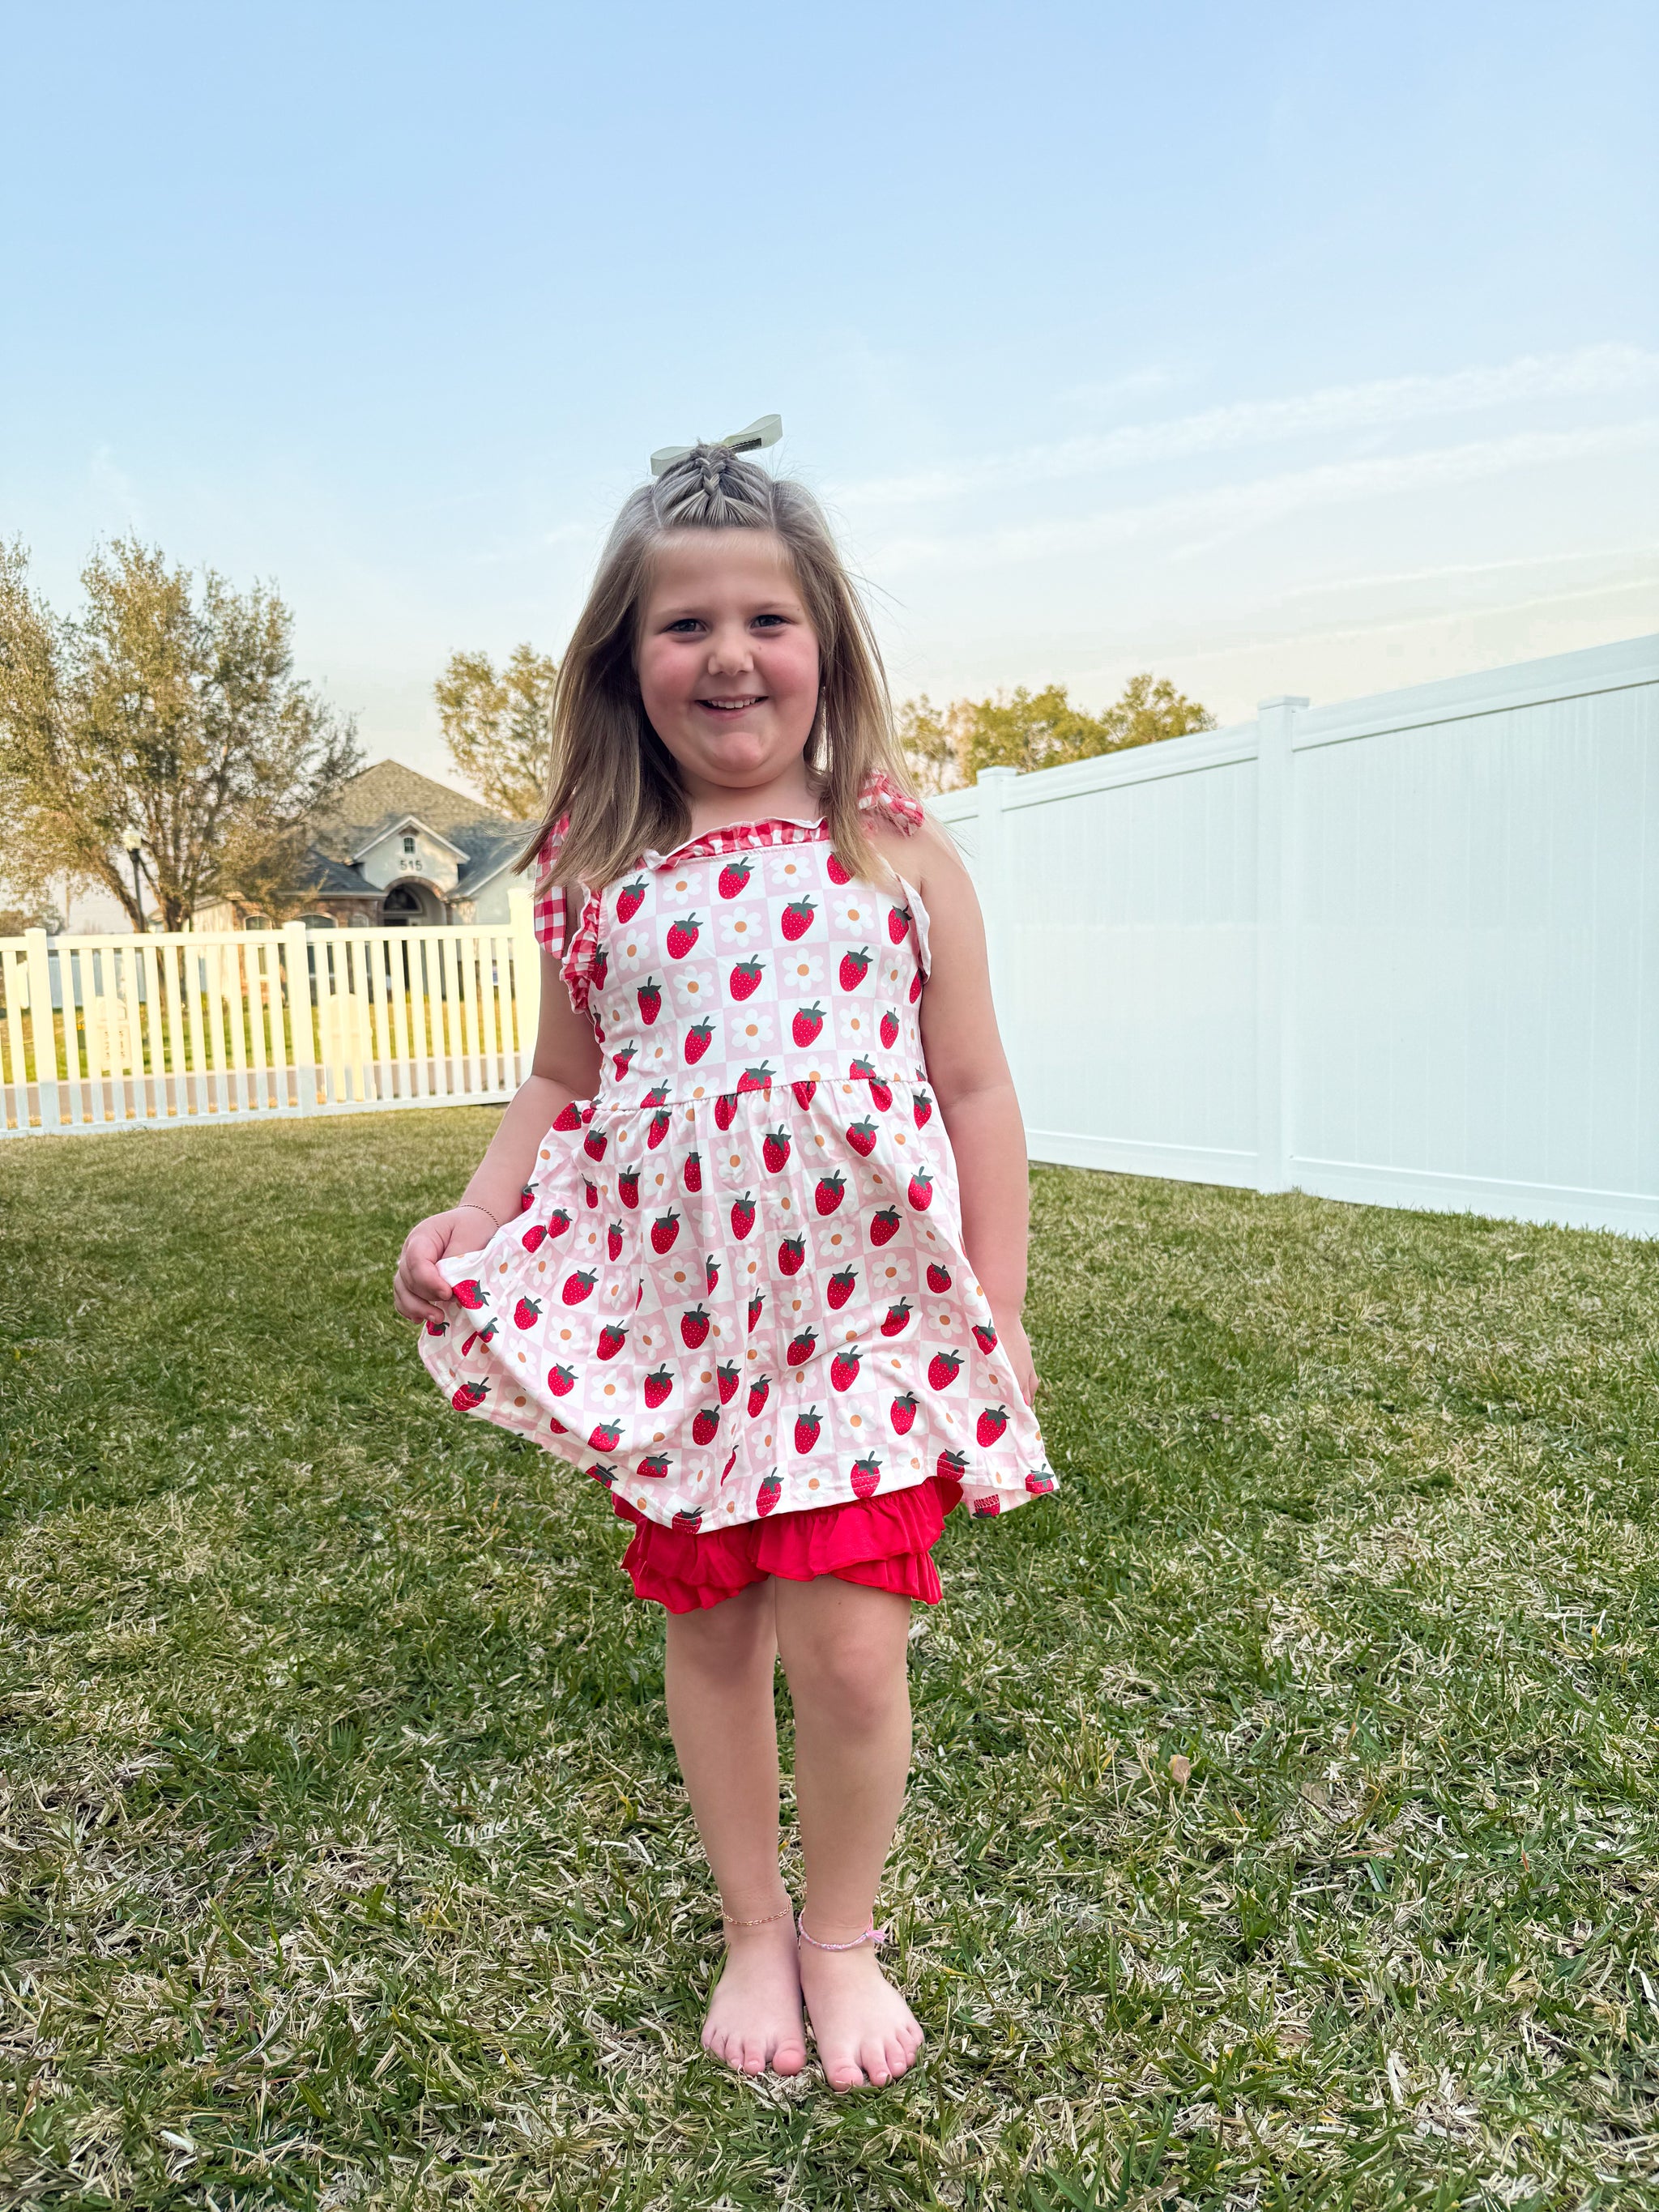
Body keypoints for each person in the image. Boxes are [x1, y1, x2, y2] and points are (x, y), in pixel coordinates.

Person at [393, 437, 1056, 2091]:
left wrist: (999, 1311)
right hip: (687, 1327)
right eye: (685, 625)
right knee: (714, 1635)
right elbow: (560, 1081)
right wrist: (475, 1217)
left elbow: (977, 1089)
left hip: (868, 1323)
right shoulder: (592, 873)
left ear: (826, 644)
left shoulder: (898, 855)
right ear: (627, 661)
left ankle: (840, 1935)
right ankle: (752, 1923)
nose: (731, 655)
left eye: (768, 619)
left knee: (849, 1648)